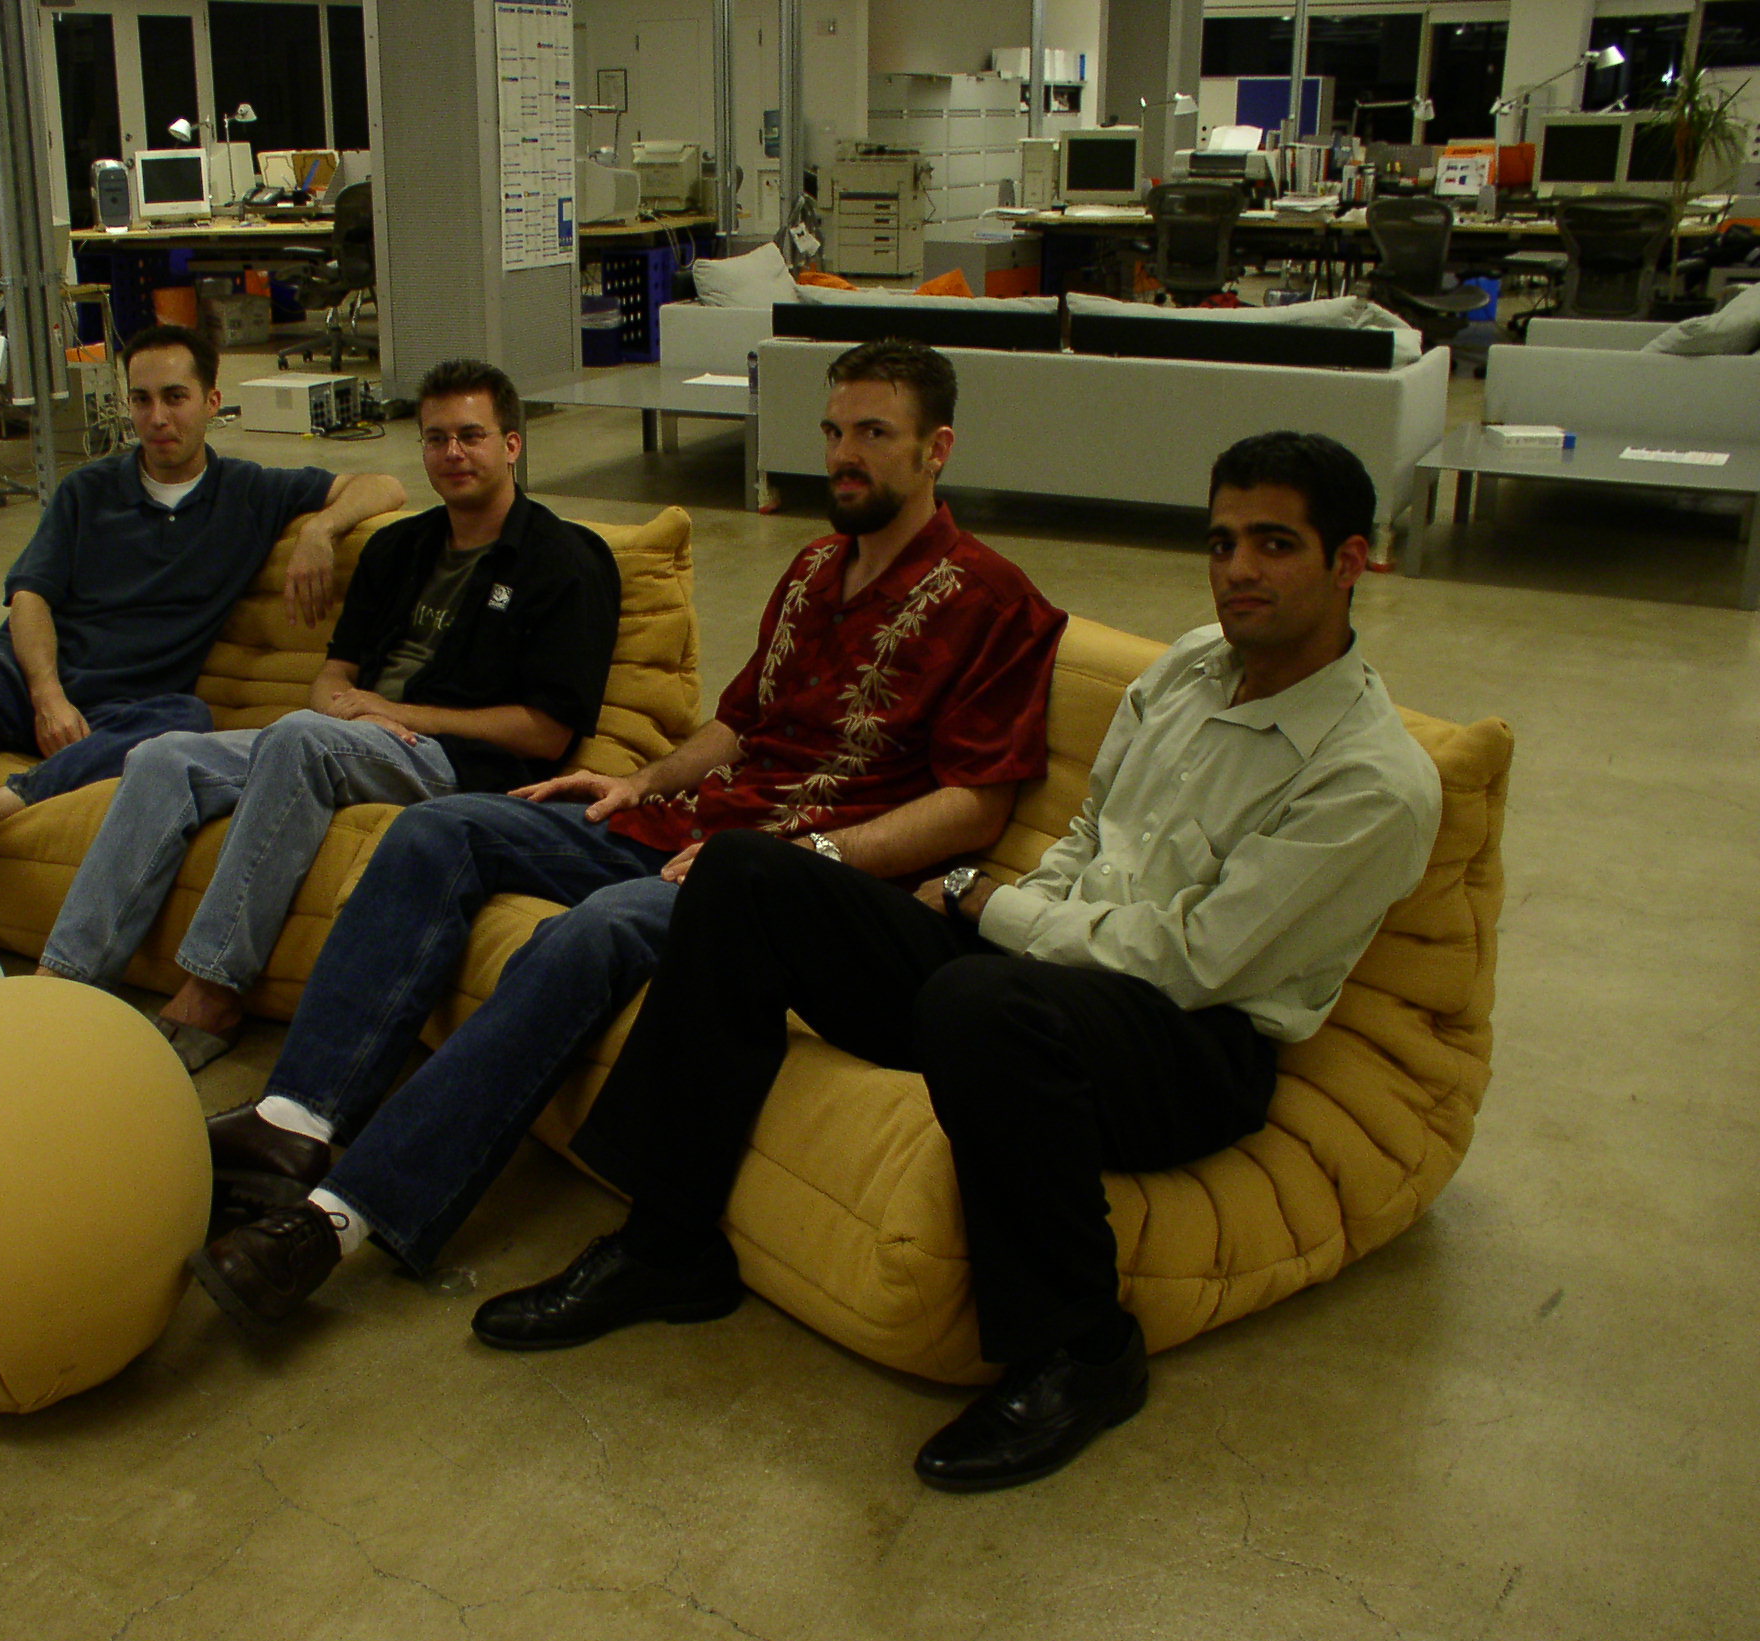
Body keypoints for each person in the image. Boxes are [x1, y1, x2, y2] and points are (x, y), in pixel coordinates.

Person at [470, 430, 1445, 1495]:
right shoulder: (1189, 668)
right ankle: (669, 1243)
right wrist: (1005, 912)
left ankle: (1082, 1348)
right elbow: (1090, 832)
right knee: (748, 873)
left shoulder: (1370, 780)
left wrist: (988, 903)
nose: (1238, 569)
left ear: (1350, 561)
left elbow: (1192, 960)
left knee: (984, 999)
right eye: (1221, 542)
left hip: (1188, 1045)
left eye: (1274, 544)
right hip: (1045, 971)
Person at [187, 337, 1069, 1330]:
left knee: (599, 928)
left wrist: (795, 860)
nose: (842, 456)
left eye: (872, 434)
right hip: (686, 824)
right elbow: (738, 724)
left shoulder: (992, 599)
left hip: (784, 883)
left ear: (935, 448)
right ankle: (294, 1121)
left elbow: (976, 804)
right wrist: (638, 778)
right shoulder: (816, 565)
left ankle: (338, 1219)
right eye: (833, 431)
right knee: (442, 829)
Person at [35, 358, 621, 1071]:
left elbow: (547, 731)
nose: (453, 453)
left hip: (458, 763)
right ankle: (64, 982)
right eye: (436, 438)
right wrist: (343, 710)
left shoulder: (566, 560)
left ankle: (214, 986)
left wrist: (395, 715)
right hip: (352, 738)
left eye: (471, 436)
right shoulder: (399, 548)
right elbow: (334, 675)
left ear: (511, 445)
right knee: (165, 755)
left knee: (302, 740)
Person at [0, 323, 406, 887]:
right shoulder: (87, 491)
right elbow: (30, 596)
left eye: (175, 398)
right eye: (141, 400)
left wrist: (320, 531)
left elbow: (384, 485)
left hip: (128, 707)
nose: (157, 418)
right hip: (24, 679)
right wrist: (48, 696)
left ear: (212, 402)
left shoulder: (249, 492)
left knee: (185, 721)